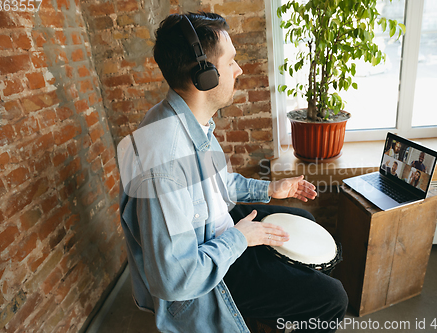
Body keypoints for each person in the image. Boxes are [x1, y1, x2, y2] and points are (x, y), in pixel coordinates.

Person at [117, 12, 348, 333]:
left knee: (305, 220)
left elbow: (218, 185)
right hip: (207, 275)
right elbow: (173, 279)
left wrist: (271, 189)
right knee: (332, 297)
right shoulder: (164, 165)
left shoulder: (189, 121)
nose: (239, 69)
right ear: (205, 76)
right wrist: (240, 238)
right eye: (231, 62)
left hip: (217, 229)